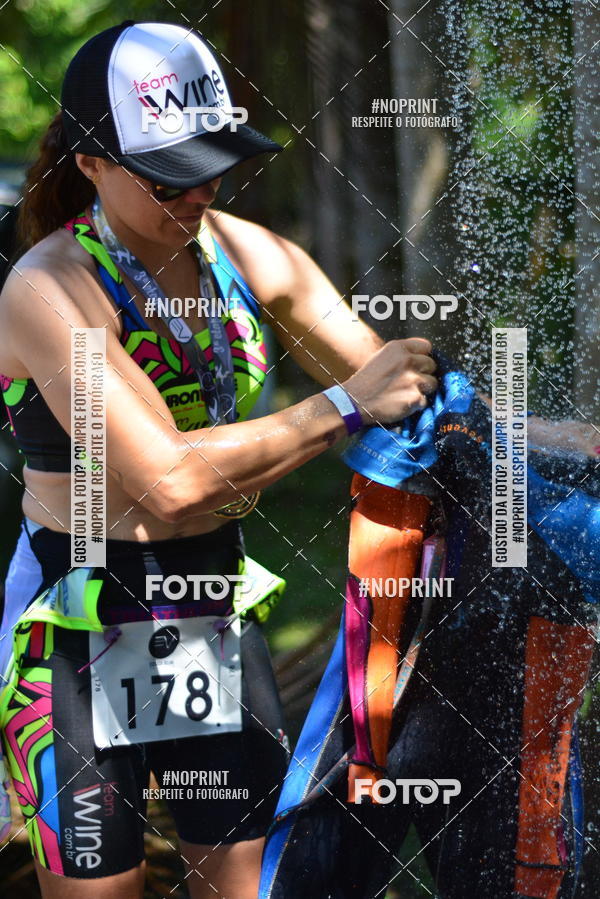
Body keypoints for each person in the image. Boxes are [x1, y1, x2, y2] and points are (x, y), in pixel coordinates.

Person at [0, 20, 438, 899]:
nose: (198, 193)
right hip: (78, 626)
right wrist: (345, 405)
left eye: (215, 163)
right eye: (169, 175)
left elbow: (404, 385)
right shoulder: (48, 289)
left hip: (210, 612)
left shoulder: (248, 255)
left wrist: (524, 432)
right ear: (90, 162)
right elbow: (168, 482)